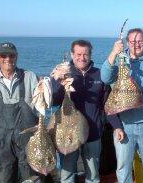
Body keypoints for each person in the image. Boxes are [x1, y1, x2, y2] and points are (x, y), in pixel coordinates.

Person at [51, 39, 123, 183]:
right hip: (67, 133)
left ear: (90, 55)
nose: (82, 58)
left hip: (93, 132)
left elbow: (107, 105)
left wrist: (117, 126)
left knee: (93, 175)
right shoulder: (63, 72)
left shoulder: (100, 75)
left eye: (85, 54)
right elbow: (53, 102)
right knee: (66, 175)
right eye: (78, 54)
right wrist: (58, 82)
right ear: (72, 54)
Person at [101, 28, 143, 183]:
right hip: (124, 124)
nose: (136, 44)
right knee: (123, 168)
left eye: (140, 41)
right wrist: (114, 53)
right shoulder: (121, 59)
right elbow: (105, 77)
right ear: (127, 43)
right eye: (133, 41)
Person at [0, 42, 39, 182]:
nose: (8, 59)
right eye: (3, 55)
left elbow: (45, 104)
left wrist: (52, 83)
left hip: (29, 146)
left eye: (11, 55)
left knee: (32, 179)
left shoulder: (30, 77)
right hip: (1, 149)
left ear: (16, 57)